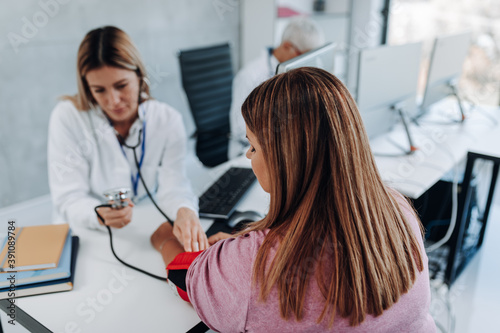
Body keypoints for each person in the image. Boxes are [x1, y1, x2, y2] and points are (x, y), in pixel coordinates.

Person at [151, 67, 436, 332]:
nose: (249, 156)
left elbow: (184, 276)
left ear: (283, 159)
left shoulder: (255, 266)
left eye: (253, 146)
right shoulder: (397, 209)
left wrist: (165, 239)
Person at [48, 26, 209, 252]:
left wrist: (184, 209)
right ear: (87, 88)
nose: (113, 101)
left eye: (121, 86)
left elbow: (174, 184)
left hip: (140, 228)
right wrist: (97, 213)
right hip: (86, 235)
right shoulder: (68, 117)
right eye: (99, 90)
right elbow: (68, 198)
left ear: (139, 75)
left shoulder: (167, 120)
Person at [228, 16, 325, 159]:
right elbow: (239, 129)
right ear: (286, 46)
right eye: (303, 56)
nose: (306, 64)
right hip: (250, 151)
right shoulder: (250, 76)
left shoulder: (295, 72)